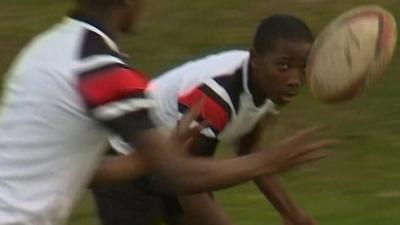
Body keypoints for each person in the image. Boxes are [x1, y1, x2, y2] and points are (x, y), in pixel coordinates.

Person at [0, 0, 334, 223]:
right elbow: (177, 177)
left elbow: (77, 169)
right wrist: (273, 159)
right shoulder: (100, 67)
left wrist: (151, 158)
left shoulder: (46, 49)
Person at [93, 14, 325, 225]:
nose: (295, 79)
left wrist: (292, 212)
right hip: (125, 157)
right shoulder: (217, 95)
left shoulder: (269, 86)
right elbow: (186, 181)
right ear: (255, 59)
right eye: (284, 66)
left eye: (302, 68)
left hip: (171, 163)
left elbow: (248, 150)